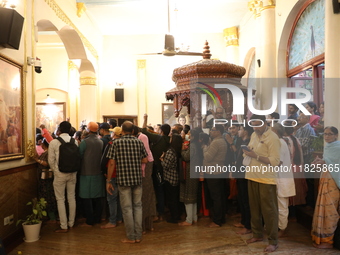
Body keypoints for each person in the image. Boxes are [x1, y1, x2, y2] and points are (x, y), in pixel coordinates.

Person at [244, 114, 281, 253]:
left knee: (269, 211)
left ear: (265, 123)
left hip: (266, 178)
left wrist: (256, 156)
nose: (255, 127)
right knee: (254, 208)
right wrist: (247, 152)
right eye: (253, 124)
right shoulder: (254, 135)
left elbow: (275, 161)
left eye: (258, 124)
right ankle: (257, 234)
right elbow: (250, 149)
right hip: (252, 175)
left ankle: (273, 241)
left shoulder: (273, 138)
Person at [106, 121, 148, 243]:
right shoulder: (139, 142)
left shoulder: (116, 143)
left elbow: (112, 163)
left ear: (122, 131)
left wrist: (109, 180)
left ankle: (131, 237)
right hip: (137, 178)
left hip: (123, 179)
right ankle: (138, 235)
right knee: (138, 207)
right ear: (133, 131)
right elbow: (145, 159)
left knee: (127, 208)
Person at [311, 126, 340, 249]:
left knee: (330, 211)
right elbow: (327, 161)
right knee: (322, 209)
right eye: (325, 134)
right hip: (325, 179)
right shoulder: (328, 147)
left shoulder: (338, 148)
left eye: (330, 134)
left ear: (336, 136)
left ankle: (329, 240)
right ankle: (322, 238)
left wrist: (325, 161)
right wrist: (320, 161)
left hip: (334, 182)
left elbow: (335, 164)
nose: (327, 136)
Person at [48, 121, 78, 233]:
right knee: (71, 198)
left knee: (60, 199)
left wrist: (56, 171)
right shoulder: (75, 141)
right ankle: (71, 223)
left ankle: (63, 226)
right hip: (73, 173)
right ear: (70, 130)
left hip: (60, 173)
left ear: (59, 129)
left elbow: (51, 160)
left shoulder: (54, 142)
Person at [142, 114, 170, 221]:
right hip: (165, 168)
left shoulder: (159, 138)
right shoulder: (169, 139)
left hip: (156, 167)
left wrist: (145, 119)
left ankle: (158, 213)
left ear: (161, 131)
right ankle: (163, 211)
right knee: (163, 189)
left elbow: (144, 131)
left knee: (157, 190)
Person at [78, 122, 105, 227]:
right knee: (98, 197)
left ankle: (89, 221)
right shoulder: (100, 142)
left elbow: (79, 155)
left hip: (86, 172)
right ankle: (97, 218)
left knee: (86, 197)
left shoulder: (84, 142)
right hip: (98, 172)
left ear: (88, 130)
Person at [272, 123, 295, 238]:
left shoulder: (280, 143)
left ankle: (282, 228)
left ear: (275, 132)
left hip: (282, 179)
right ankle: (277, 226)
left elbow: (278, 162)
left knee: (282, 206)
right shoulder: (279, 142)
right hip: (279, 178)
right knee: (277, 205)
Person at [132, 125, 156, 234]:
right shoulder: (137, 138)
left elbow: (145, 156)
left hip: (145, 170)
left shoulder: (143, 137)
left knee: (144, 197)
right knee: (142, 197)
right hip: (142, 170)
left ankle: (146, 225)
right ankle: (144, 225)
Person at [204, 124, 228, 228]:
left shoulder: (216, 142)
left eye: (213, 130)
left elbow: (208, 157)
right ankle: (221, 218)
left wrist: (204, 148)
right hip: (219, 170)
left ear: (218, 132)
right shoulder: (222, 141)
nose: (211, 132)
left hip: (213, 171)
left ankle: (217, 221)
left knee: (216, 197)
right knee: (220, 196)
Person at [101, 127, 123, 229]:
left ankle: (112, 221)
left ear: (114, 134)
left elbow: (105, 160)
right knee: (120, 199)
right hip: (122, 174)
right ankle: (119, 218)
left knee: (112, 199)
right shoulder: (124, 143)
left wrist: (104, 172)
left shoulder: (111, 144)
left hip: (112, 173)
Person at [178, 128, 201, 226]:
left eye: (190, 134)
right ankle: (194, 217)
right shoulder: (197, 145)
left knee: (188, 197)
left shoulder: (193, 146)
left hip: (189, 172)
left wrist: (182, 150)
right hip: (194, 171)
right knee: (193, 197)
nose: (188, 135)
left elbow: (187, 157)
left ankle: (189, 220)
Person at [234, 124, 253, 235]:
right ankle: (243, 221)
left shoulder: (249, 143)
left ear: (245, 131)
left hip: (245, 174)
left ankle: (248, 225)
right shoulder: (243, 142)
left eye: (240, 129)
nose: (239, 131)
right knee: (241, 199)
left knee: (246, 200)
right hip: (240, 173)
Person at [161, 133, 183, 224]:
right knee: (175, 198)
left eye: (171, 137)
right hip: (175, 177)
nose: (169, 138)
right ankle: (177, 215)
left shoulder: (170, 151)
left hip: (170, 177)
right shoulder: (177, 150)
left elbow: (166, 165)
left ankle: (174, 217)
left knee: (172, 199)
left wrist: (162, 159)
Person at [34, 138, 57, 222]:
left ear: (44, 144)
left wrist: (37, 160)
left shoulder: (48, 153)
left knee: (48, 195)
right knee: (44, 195)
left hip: (47, 178)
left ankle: (52, 217)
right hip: (43, 178)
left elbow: (47, 163)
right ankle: (46, 215)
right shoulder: (45, 152)